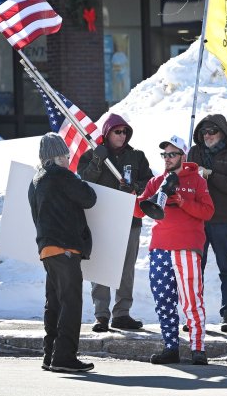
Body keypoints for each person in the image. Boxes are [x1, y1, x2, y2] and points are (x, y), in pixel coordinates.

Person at [134, 135, 214, 365]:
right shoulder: (156, 181)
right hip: (160, 247)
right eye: (164, 154)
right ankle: (171, 347)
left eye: (172, 154)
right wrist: (132, 194)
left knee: (191, 299)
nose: (167, 158)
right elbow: (139, 211)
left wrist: (181, 200)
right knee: (163, 299)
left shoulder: (197, 181)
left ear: (183, 155)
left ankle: (197, 348)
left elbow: (208, 212)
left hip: (187, 246)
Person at [28, 133, 97, 372]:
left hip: (47, 248)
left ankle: (50, 355)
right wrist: (76, 178)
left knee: (54, 302)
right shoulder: (61, 175)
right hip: (66, 247)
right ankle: (64, 357)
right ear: (57, 157)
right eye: (66, 155)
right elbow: (89, 198)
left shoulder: (35, 181)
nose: (69, 160)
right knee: (71, 302)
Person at [77, 113, 152, 332]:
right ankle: (101, 315)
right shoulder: (91, 155)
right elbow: (83, 182)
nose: (122, 135)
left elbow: (150, 183)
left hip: (130, 220)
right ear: (107, 133)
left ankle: (122, 314)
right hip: (101, 220)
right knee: (101, 266)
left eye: (125, 132)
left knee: (126, 269)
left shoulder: (137, 156)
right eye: (117, 132)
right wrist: (97, 161)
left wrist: (134, 188)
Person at [187, 114, 227, 332]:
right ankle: (194, 315)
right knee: (195, 270)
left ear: (223, 132)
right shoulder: (194, 153)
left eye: (212, 131)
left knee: (225, 268)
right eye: (204, 132)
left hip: (222, 221)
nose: (208, 135)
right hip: (197, 220)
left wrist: (211, 174)